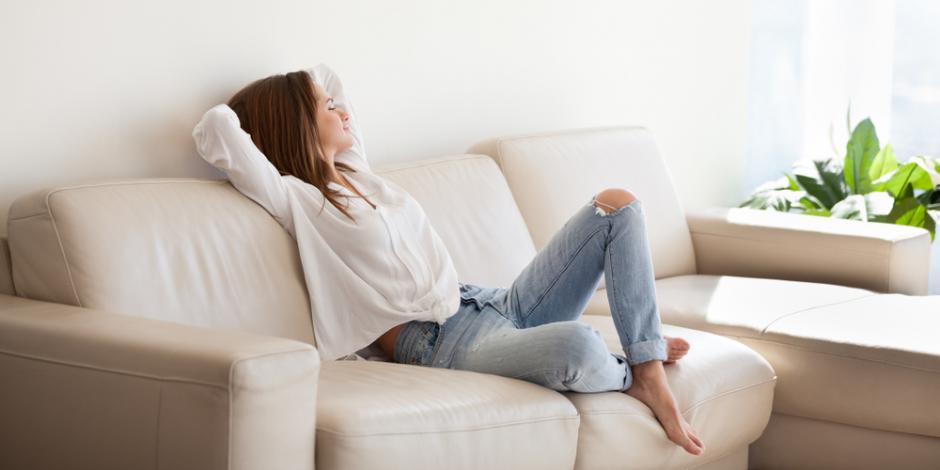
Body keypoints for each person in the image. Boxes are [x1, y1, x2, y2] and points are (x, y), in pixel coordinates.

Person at [192, 64, 704, 456]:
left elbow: (327, 74)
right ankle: (636, 369)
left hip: (488, 303)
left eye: (334, 105)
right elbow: (216, 129)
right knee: (579, 345)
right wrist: (279, 105)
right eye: (328, 109)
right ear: (299, 125)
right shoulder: (295, 201)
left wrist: (309, 95)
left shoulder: (359, 174)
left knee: (617, 205)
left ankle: (645, 357)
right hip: (435, 343)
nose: (342, 111)